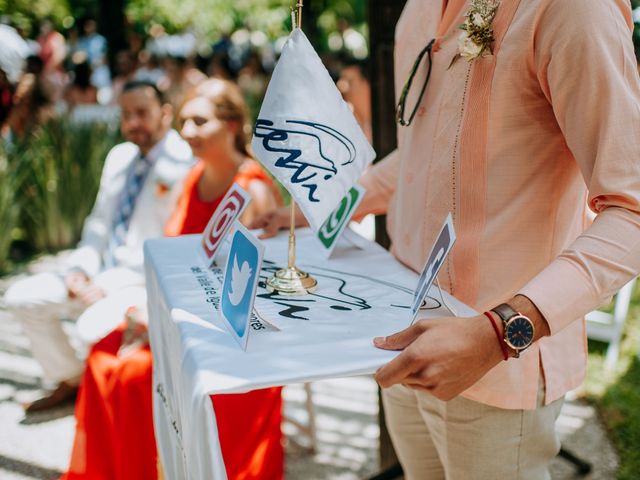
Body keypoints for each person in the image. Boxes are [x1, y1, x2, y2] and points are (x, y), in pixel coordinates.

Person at [253, 0, 640, 478]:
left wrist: (500, 332)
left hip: (497, 367)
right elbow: (422, 153)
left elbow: (632, 210)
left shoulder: (573, 10)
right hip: (401, 334)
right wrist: (332, 206)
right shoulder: (418, 8)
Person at [63, 78, 282, 480]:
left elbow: (251, 294)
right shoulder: (191, 179)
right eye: (184, 122)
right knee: (104, 356)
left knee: (131, 376)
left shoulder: (254, 190)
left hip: (228, 338)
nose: (187, 132)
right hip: (174, 314)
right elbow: (172, 258)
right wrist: (148, 313)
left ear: (232, 125)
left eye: (200, 121)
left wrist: (166, 324)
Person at [4, 80, 193, 412]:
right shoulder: (119, 156)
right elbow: (99, 223)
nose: (132, 122)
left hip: (141, 284)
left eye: (141, 113)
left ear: (165, 113)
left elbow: (173, 244)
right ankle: (71, 379)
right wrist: (80, 270)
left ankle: (109, 404)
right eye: (125, 114)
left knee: (89, 327)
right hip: (97, 274)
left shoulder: (186, 162)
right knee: (21, 298)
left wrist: (107, 286)